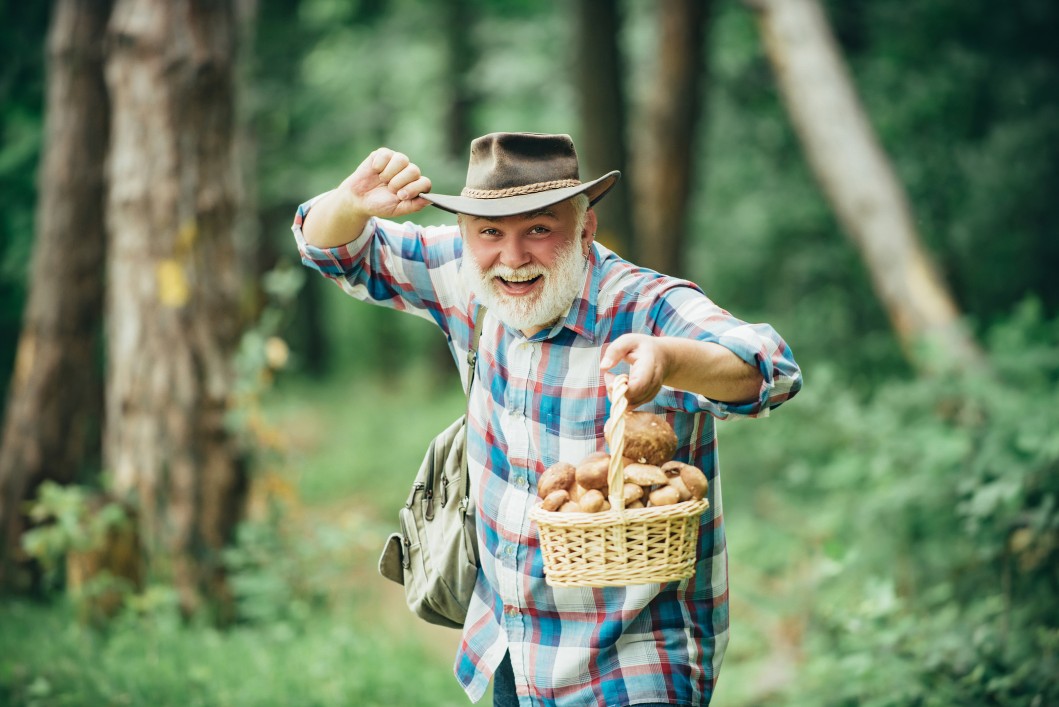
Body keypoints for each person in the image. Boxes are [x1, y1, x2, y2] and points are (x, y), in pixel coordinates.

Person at [293, 132, 802, 706]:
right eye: (490, 232)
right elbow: (332, 249)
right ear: (465, 236)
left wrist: (671, 359)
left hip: (635, 660)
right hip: (512, 648)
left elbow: (770, 371)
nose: (512, 258)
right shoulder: (468, 278)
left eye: (539, 229)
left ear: (585, 230)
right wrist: (350, 201)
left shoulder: (646, 305)